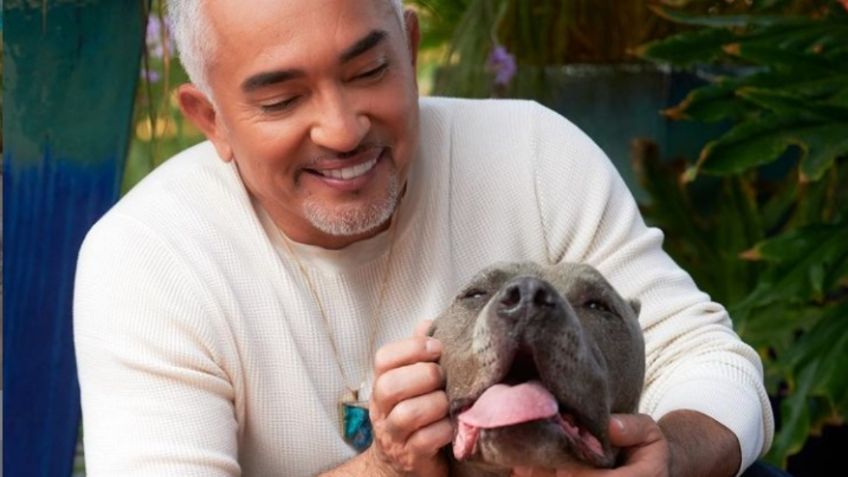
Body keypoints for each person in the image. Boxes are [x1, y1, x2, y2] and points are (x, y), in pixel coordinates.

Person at [73, 0, 774, 476]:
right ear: (211, 118)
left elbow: (710, 358)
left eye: (368, 70)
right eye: (282, 99)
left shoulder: (530, 153)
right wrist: (383, 466)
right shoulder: (148, 258)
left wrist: (671, 458)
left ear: (408, 47)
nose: (343, 129)